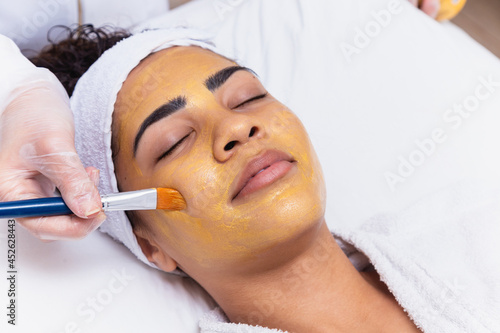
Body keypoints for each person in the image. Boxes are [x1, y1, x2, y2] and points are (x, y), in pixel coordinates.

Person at [0, 0, 446, 242]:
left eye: (249, 97)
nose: (238, 129)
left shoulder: (468, 235)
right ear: (152, 246)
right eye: (175, 141)